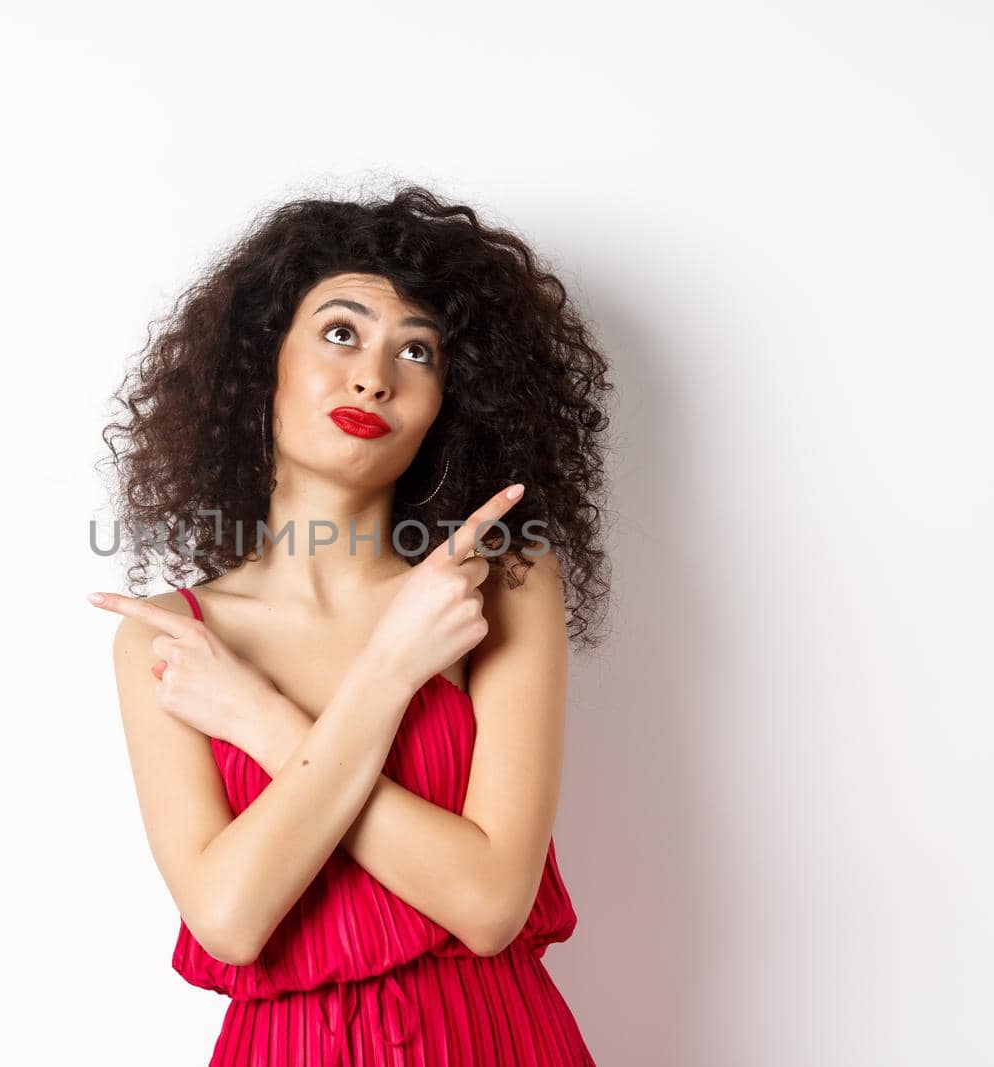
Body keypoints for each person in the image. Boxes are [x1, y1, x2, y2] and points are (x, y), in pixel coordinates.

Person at [88, 183, 613, 1065]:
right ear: (265, 363)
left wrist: (260, 717)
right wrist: (389, 676)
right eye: (341, 333)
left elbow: (489, 905)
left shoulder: (498, 586)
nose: (376, 374)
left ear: (452, 401)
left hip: (494, 1041)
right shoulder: (171, 639)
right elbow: (228, 917)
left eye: (419, 352)